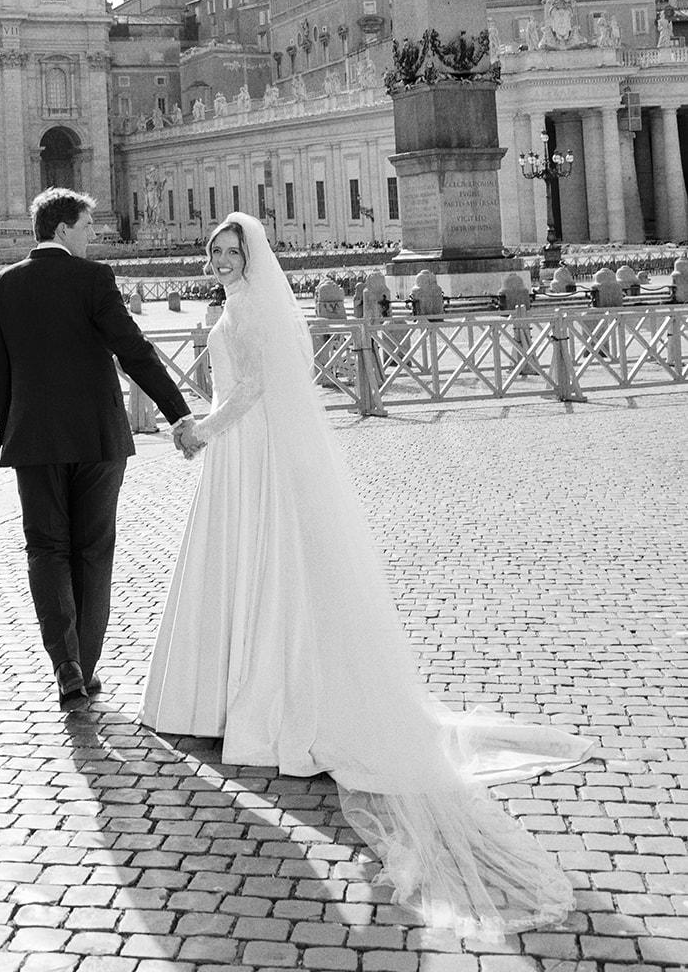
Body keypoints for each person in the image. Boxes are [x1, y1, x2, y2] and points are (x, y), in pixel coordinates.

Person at [142, 212, 598, 938]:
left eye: (230, 252)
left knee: (265, 569)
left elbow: (255, 388)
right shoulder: (236, 303)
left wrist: (199, 428)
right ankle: (235, 691)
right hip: (243, 455)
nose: (221, 261)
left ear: (248, 257)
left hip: (248, 450)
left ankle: (250, 695)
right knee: (259, 568)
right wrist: (206, 426)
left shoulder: (253, 306)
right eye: (214, 252)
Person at [0, 187, 194, 711]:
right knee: (93, 549)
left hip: (33, 439)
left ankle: (65, 664)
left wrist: (13, 431)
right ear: (62, 230)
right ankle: (87, 660)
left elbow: (0, 374)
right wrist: (179, 413)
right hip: (98, 437)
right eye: (87, 226)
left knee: (46, 548)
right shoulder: (94, 279)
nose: (94, 235)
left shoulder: (2, 285)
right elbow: (135, 352)